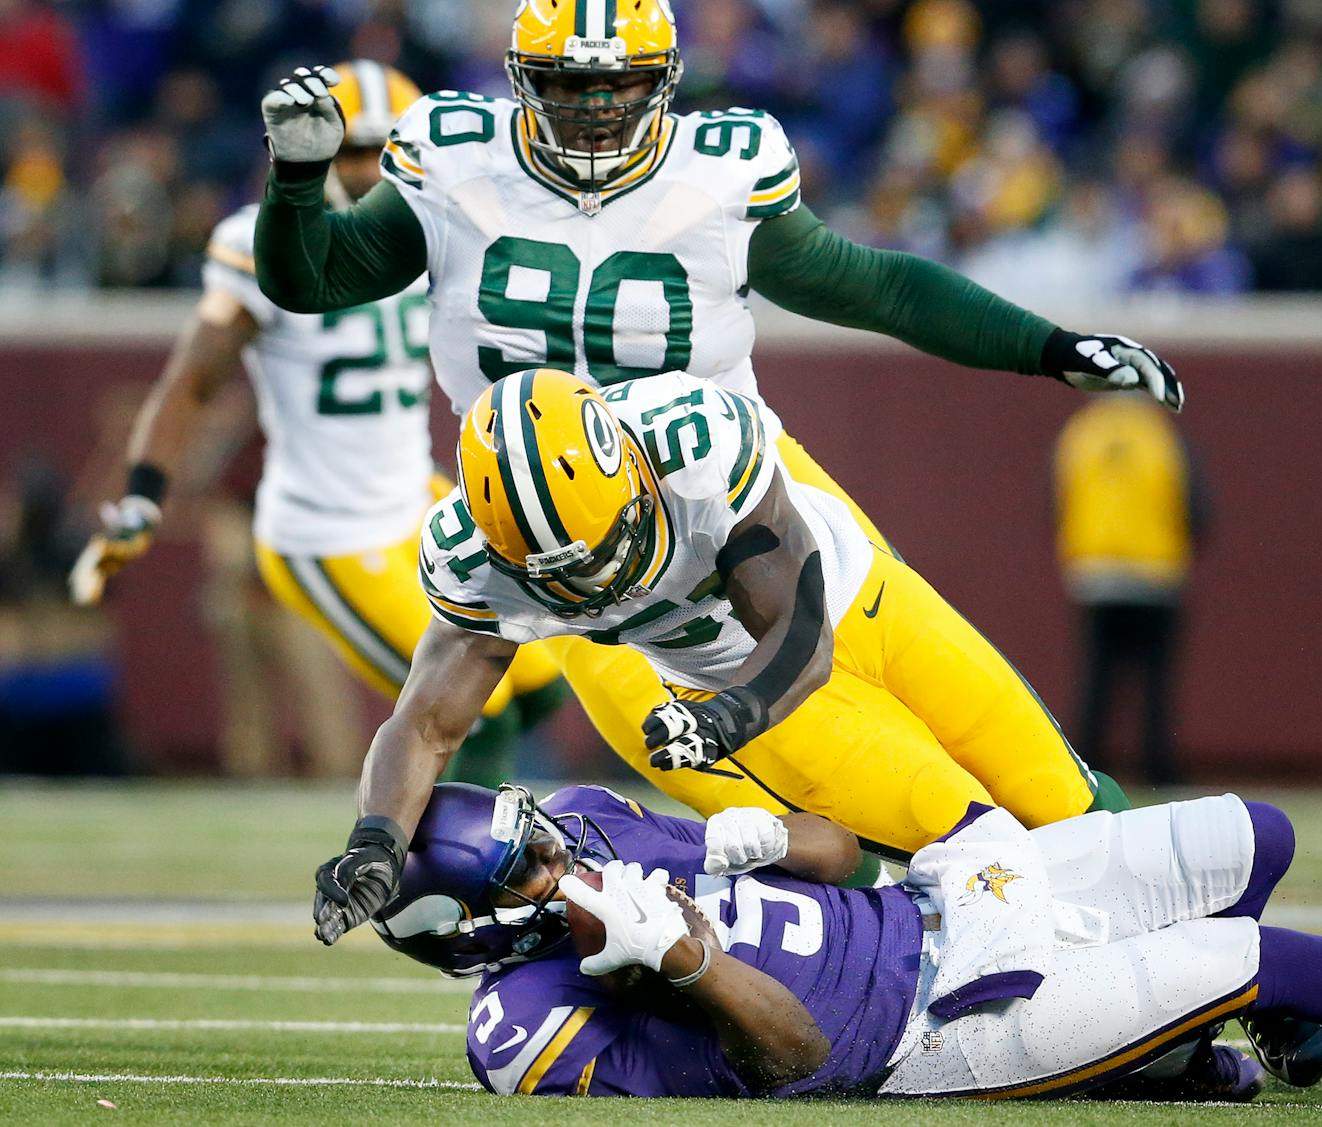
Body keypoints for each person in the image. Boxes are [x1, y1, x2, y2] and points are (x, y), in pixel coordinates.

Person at [252, 1, 1181, 823]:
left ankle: (1145, 897)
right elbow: (320, 275)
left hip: (745, 490)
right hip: (563, 537)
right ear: (518, 82)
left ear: (664, 82)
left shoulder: (717, 174)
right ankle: (902, 953)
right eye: (568, 87)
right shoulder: (453, 162)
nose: (596, 108)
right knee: (780, 807)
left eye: (621, 84)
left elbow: (878, 288)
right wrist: (297, 179)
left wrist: (1051, 348)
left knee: (987, 728)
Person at [311, 364, 1117, 944]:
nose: (596, 579)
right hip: (753, 700)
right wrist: (375, 841)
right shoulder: (470, 562)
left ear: (630, 467)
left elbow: (800, 629)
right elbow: (424, 724)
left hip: (843, 615)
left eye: (601, 548)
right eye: (562, 574)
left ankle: (1223, 949)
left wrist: (726, 716)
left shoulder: (694, 439)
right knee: (979, 841)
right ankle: (1138, 1020)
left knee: (1061, 797)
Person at [70, 60, 563, 785]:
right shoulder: (259, 240)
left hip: (414, 497)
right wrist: (144, 494)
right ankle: (440, 881)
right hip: (328, 530)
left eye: (384, 148)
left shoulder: (434, 222)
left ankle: (469, 848)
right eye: (352, 149)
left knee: (544, 684)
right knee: (477, 706)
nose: (369, 168)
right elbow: (190, 382)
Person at [361, 779, 1322, 1100]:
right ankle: (1196, 1045)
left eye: (539, 836)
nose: (558, 855)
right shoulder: (523, 1019)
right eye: (526, 868)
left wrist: (758, 834)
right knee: (1264, 956)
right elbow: (799, 1060)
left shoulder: (593, 814)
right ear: (473, 928)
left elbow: (839, 849)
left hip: (946, 900)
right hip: (934, 1032)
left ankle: (1190, 1051)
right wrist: (688, 963)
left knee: (1255, 835)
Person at [1053, 395, 1208, 785]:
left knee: (1096, 679)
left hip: (1096, 574)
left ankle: (1085, 768)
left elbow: (1059, 499)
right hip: (1156, 574)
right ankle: (1158, 770)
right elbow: (1194, 504)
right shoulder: (1161, 434)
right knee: (1156, 681)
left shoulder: (1081, 432)